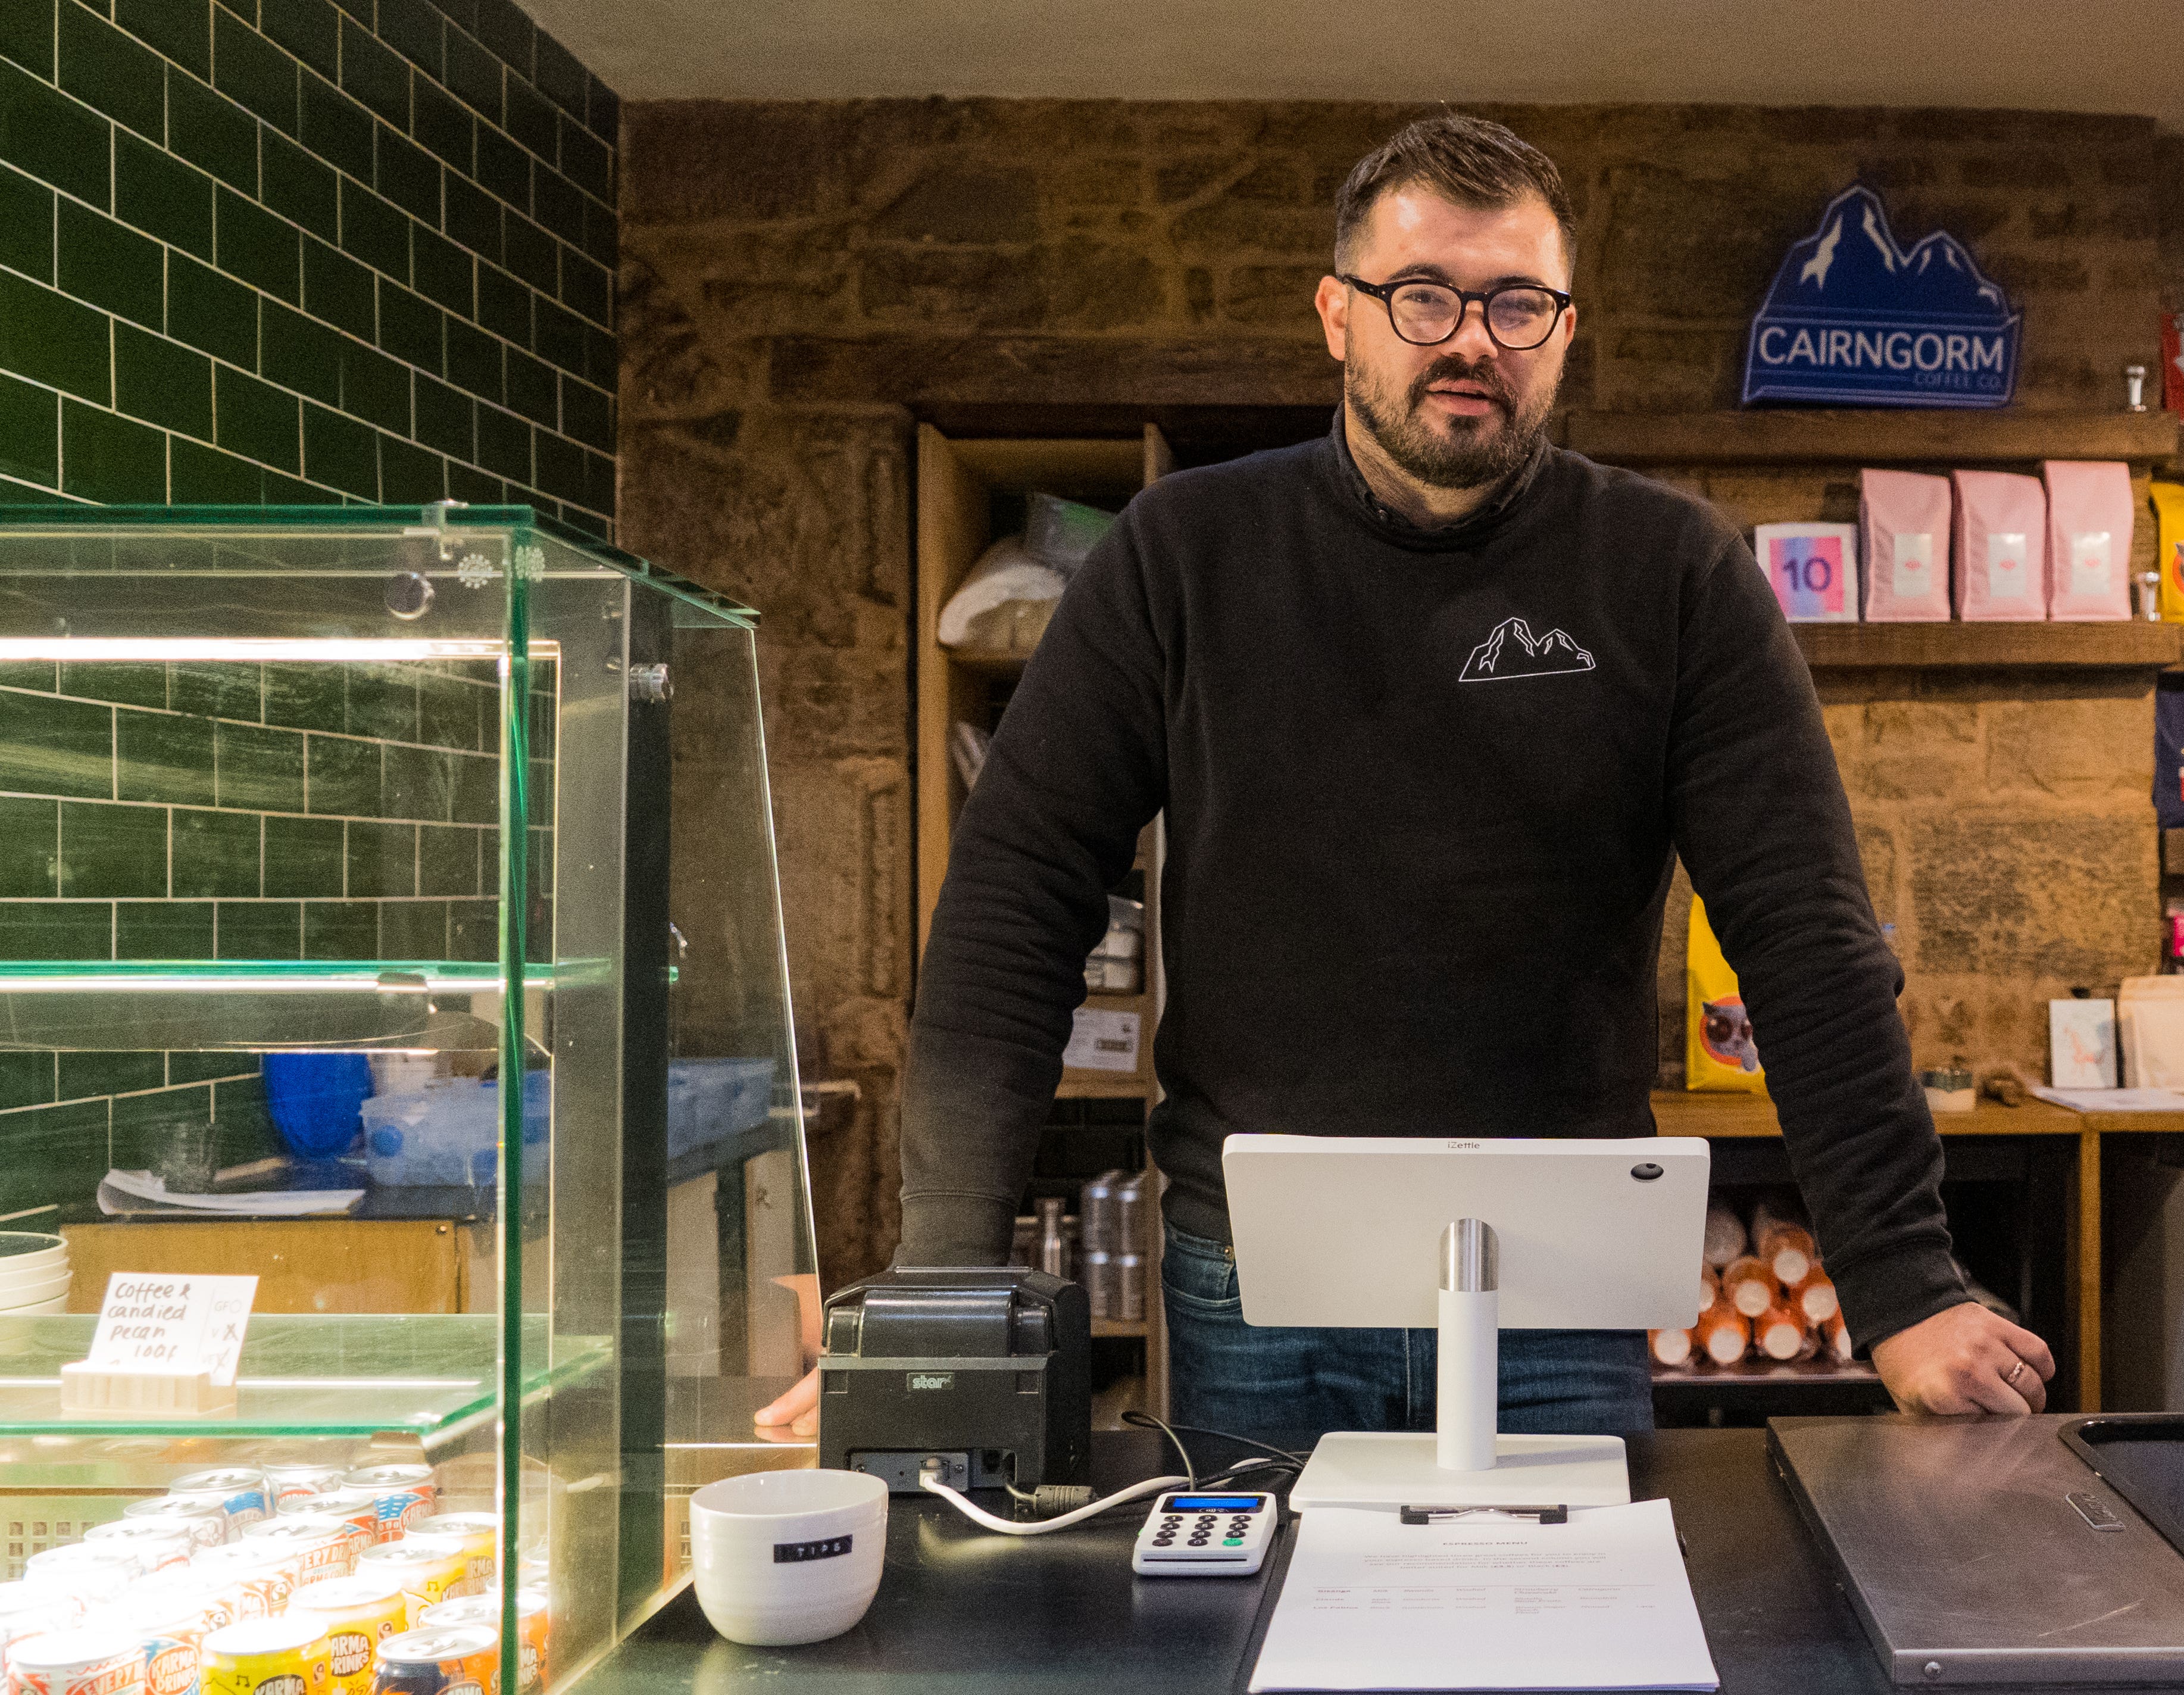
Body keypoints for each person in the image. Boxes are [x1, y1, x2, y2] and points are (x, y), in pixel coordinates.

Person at [757, 114, 2052, 1441]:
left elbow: (1804, 938)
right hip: (1259, 1279)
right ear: (1337, 314)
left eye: (1517, 304)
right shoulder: (1179, 555)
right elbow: (1014, 900)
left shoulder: (1672, 572)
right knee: (1264, 1643)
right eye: (1423, 295)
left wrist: (1901, 1284)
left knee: (1560, 1649)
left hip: (1561, 1275)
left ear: (1562, 328)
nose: (1470, 337)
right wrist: (944, 1284)